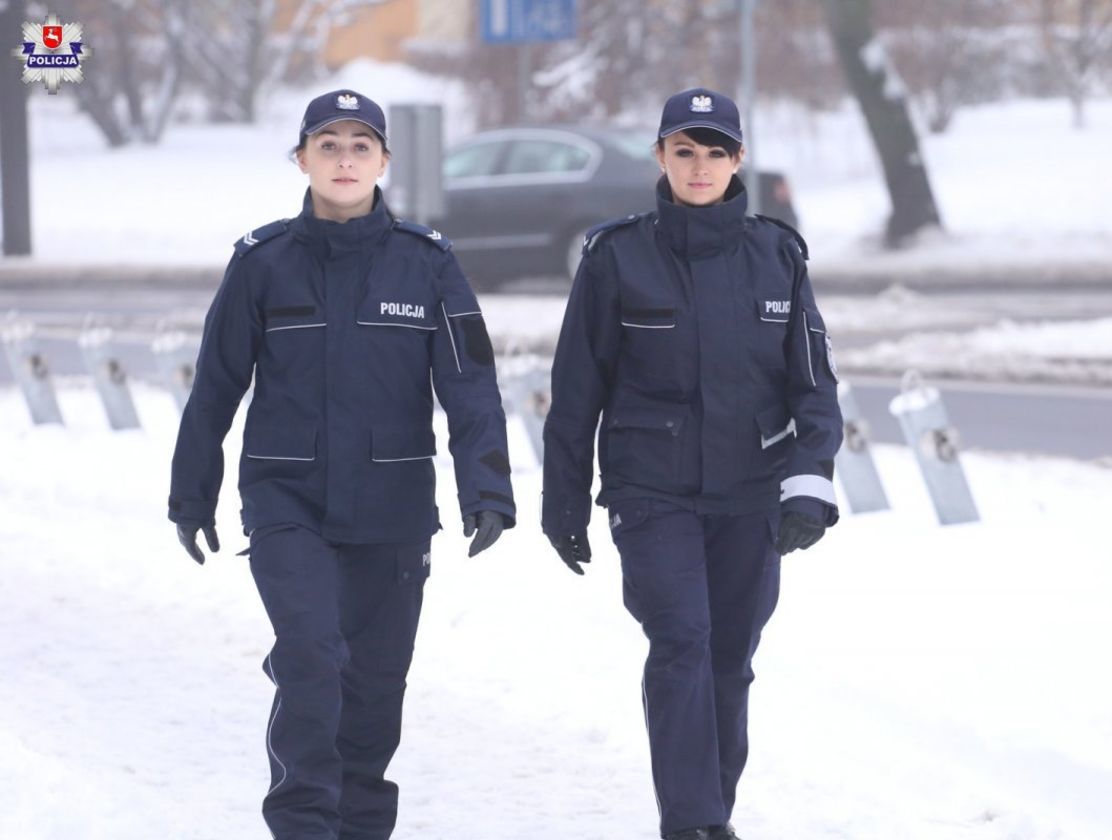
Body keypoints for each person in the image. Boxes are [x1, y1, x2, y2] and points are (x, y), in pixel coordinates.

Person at [167, 89, 516, 840]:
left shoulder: (428, 265)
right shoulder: (262, 264)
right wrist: (190, 494)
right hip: (287, 501)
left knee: (374, 689)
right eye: (329, 145)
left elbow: (471, 386)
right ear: (301, 160)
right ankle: (301, 824)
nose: (346, 159)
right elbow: (216, 386)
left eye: (361, 146)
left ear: (385, 161)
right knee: (312, 656)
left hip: (393, 510)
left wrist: (487, 487)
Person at [542, 88, 843, 840]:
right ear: (661, 157)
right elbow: (577, 390)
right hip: (652, 494)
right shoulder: (616, 257)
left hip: (750, 495)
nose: (700, 167)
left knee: (729, 660)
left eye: (715, 152)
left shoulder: (778, 257)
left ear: (738, 159)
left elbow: (815, 388)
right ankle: (695, 824)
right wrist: (564, 502)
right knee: (681, 641)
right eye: (685, 151)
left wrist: (809, 485)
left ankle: (712, 812)